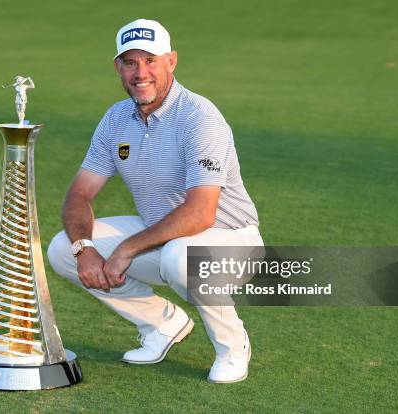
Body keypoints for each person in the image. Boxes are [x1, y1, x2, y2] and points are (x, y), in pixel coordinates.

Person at [47, 18, 262, 383]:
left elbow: (200, 213)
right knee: (62, 248)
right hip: (162, 236)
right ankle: (162, 324)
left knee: (182, 257)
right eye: (130, 62)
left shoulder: (200, 117)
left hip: (234, 242)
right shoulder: (116, 120)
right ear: (118, 67)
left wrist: (127, 249)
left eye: (150, 60)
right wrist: (86, 249)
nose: (140, 72)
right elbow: (79, 194)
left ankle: (232, 345)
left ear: (171, 61)